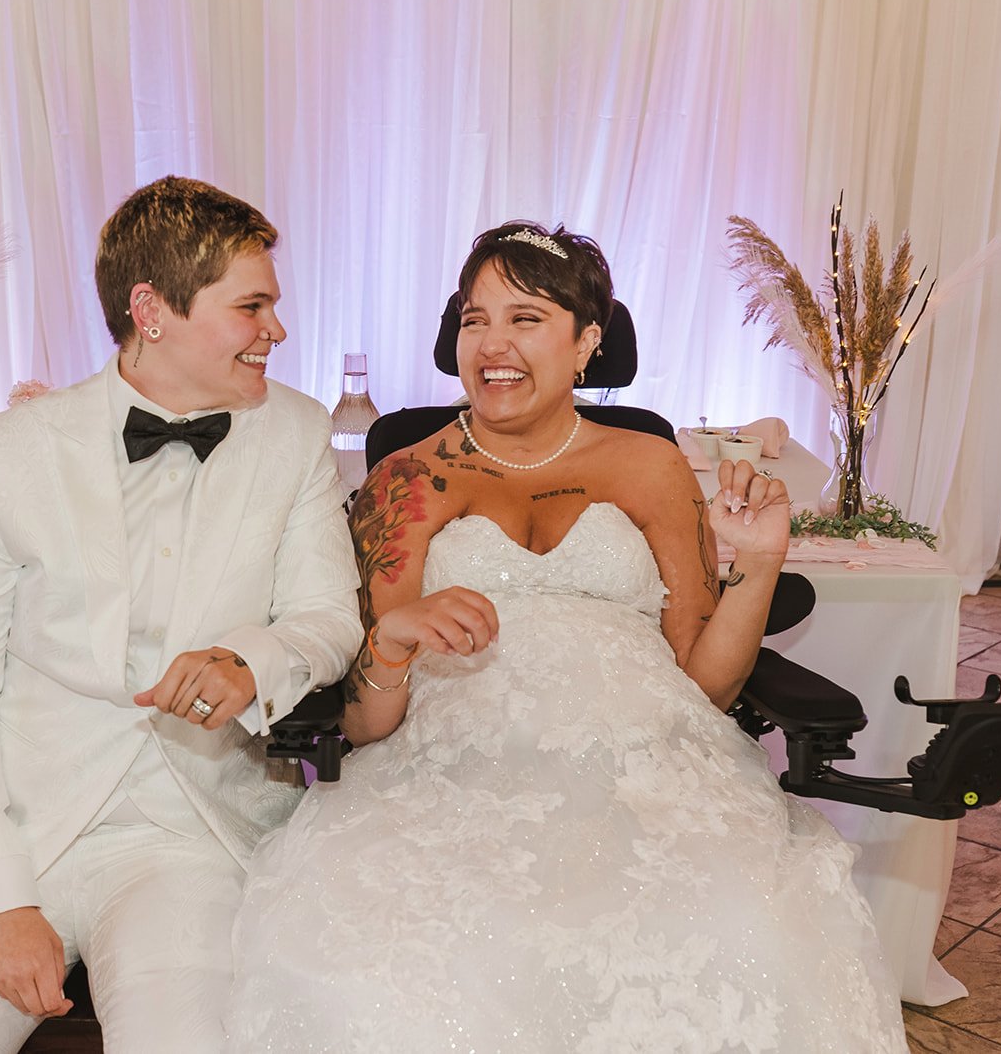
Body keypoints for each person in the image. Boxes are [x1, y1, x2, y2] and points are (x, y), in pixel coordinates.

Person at [225, 222, 907, 1052]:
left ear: (587, 341)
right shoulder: (407, 479)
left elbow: (710, 686)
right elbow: (367, 725)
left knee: (745, 930)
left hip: (651, 767)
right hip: (457, 771)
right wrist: (394, 642)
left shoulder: (650, 464)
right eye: (475, 319)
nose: (493, 344)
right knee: (394, 959)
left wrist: (758, 566)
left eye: (526, 317)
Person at [0, 176, 362, 1052]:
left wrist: (252, 660)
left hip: (188, 831)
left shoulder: (298, 435)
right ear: (150, 309)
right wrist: (0, 899)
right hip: (3, 820)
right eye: (253, 306)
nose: (277, 329)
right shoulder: (6, 459)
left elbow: (327, 618)